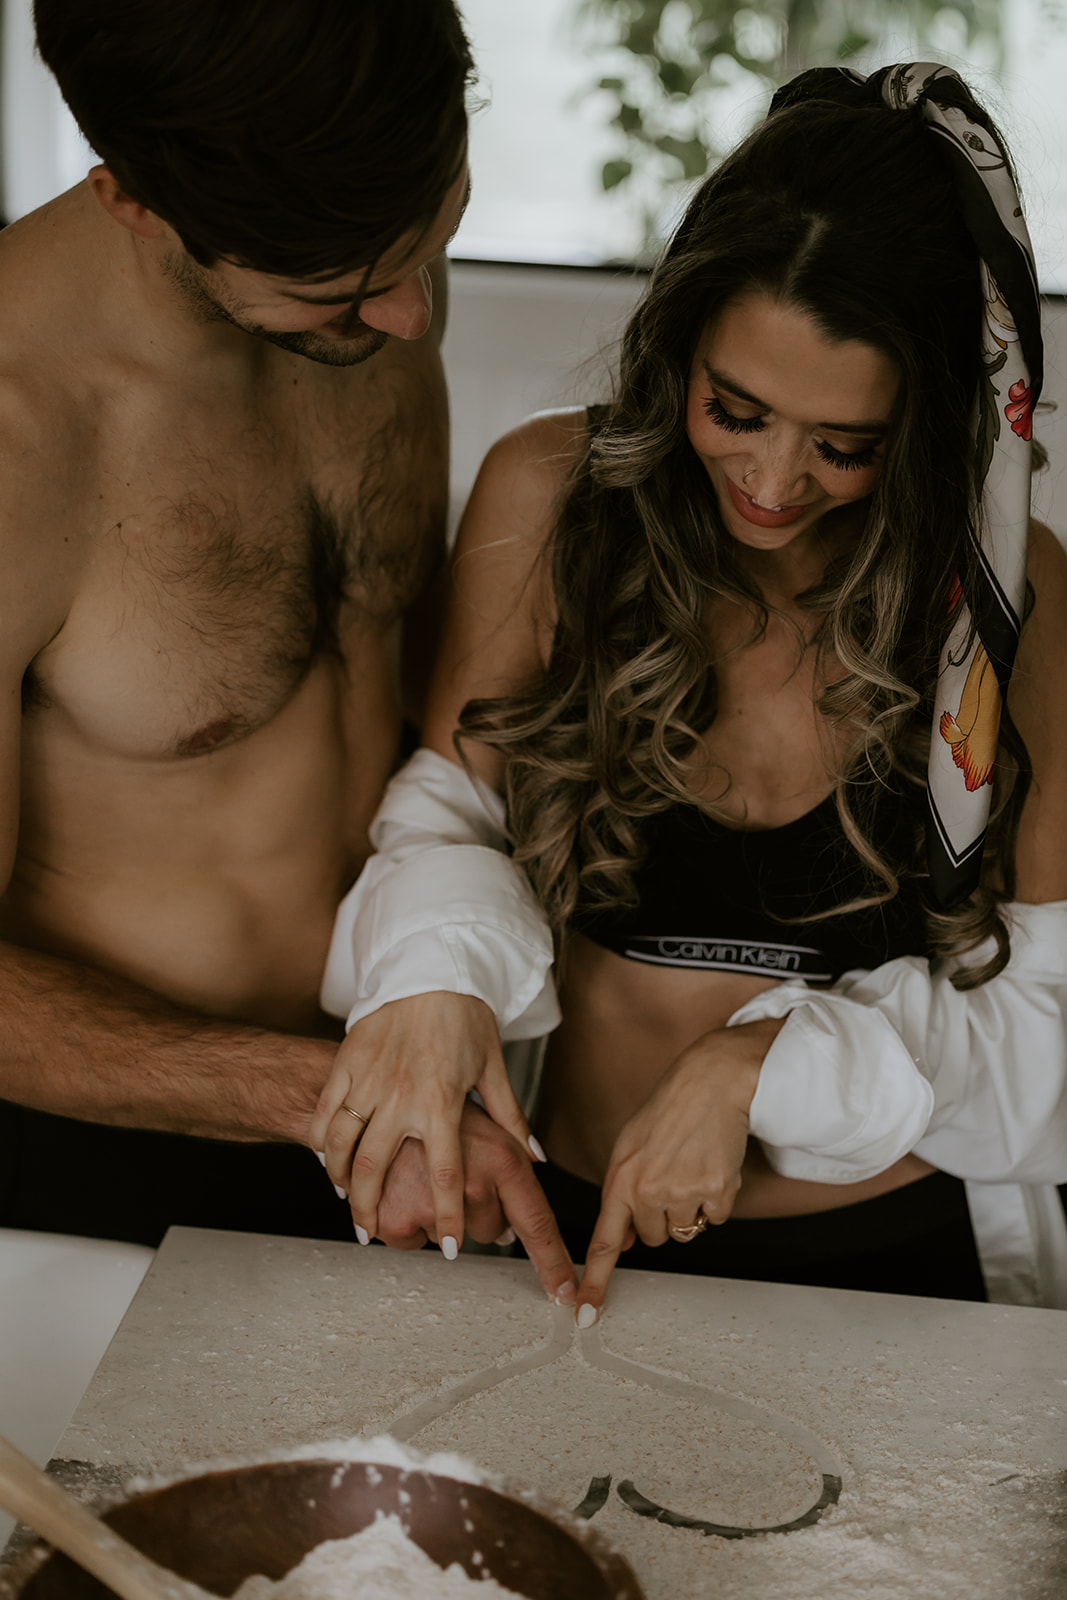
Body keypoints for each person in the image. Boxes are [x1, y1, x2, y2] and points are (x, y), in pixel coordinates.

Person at [315, 64, 1067, 1318]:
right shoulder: (550, 499)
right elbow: (446, 820)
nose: (773, 482)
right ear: (678, 347)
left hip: (887, 1260)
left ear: (929, 430)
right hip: (556, 1230)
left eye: (844, 447)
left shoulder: (1005, 595)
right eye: (734, 408)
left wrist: (757, 1065)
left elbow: (1050, 1010)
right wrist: (432, 978)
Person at [0, 0, 576, 1301]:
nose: (414, 318)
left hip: (404, 1094)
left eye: (434, 236)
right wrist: (326, 1093)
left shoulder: (353, 265)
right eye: (338, 291)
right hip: (106, 1180)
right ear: (133, 200)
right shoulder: (21, 430)